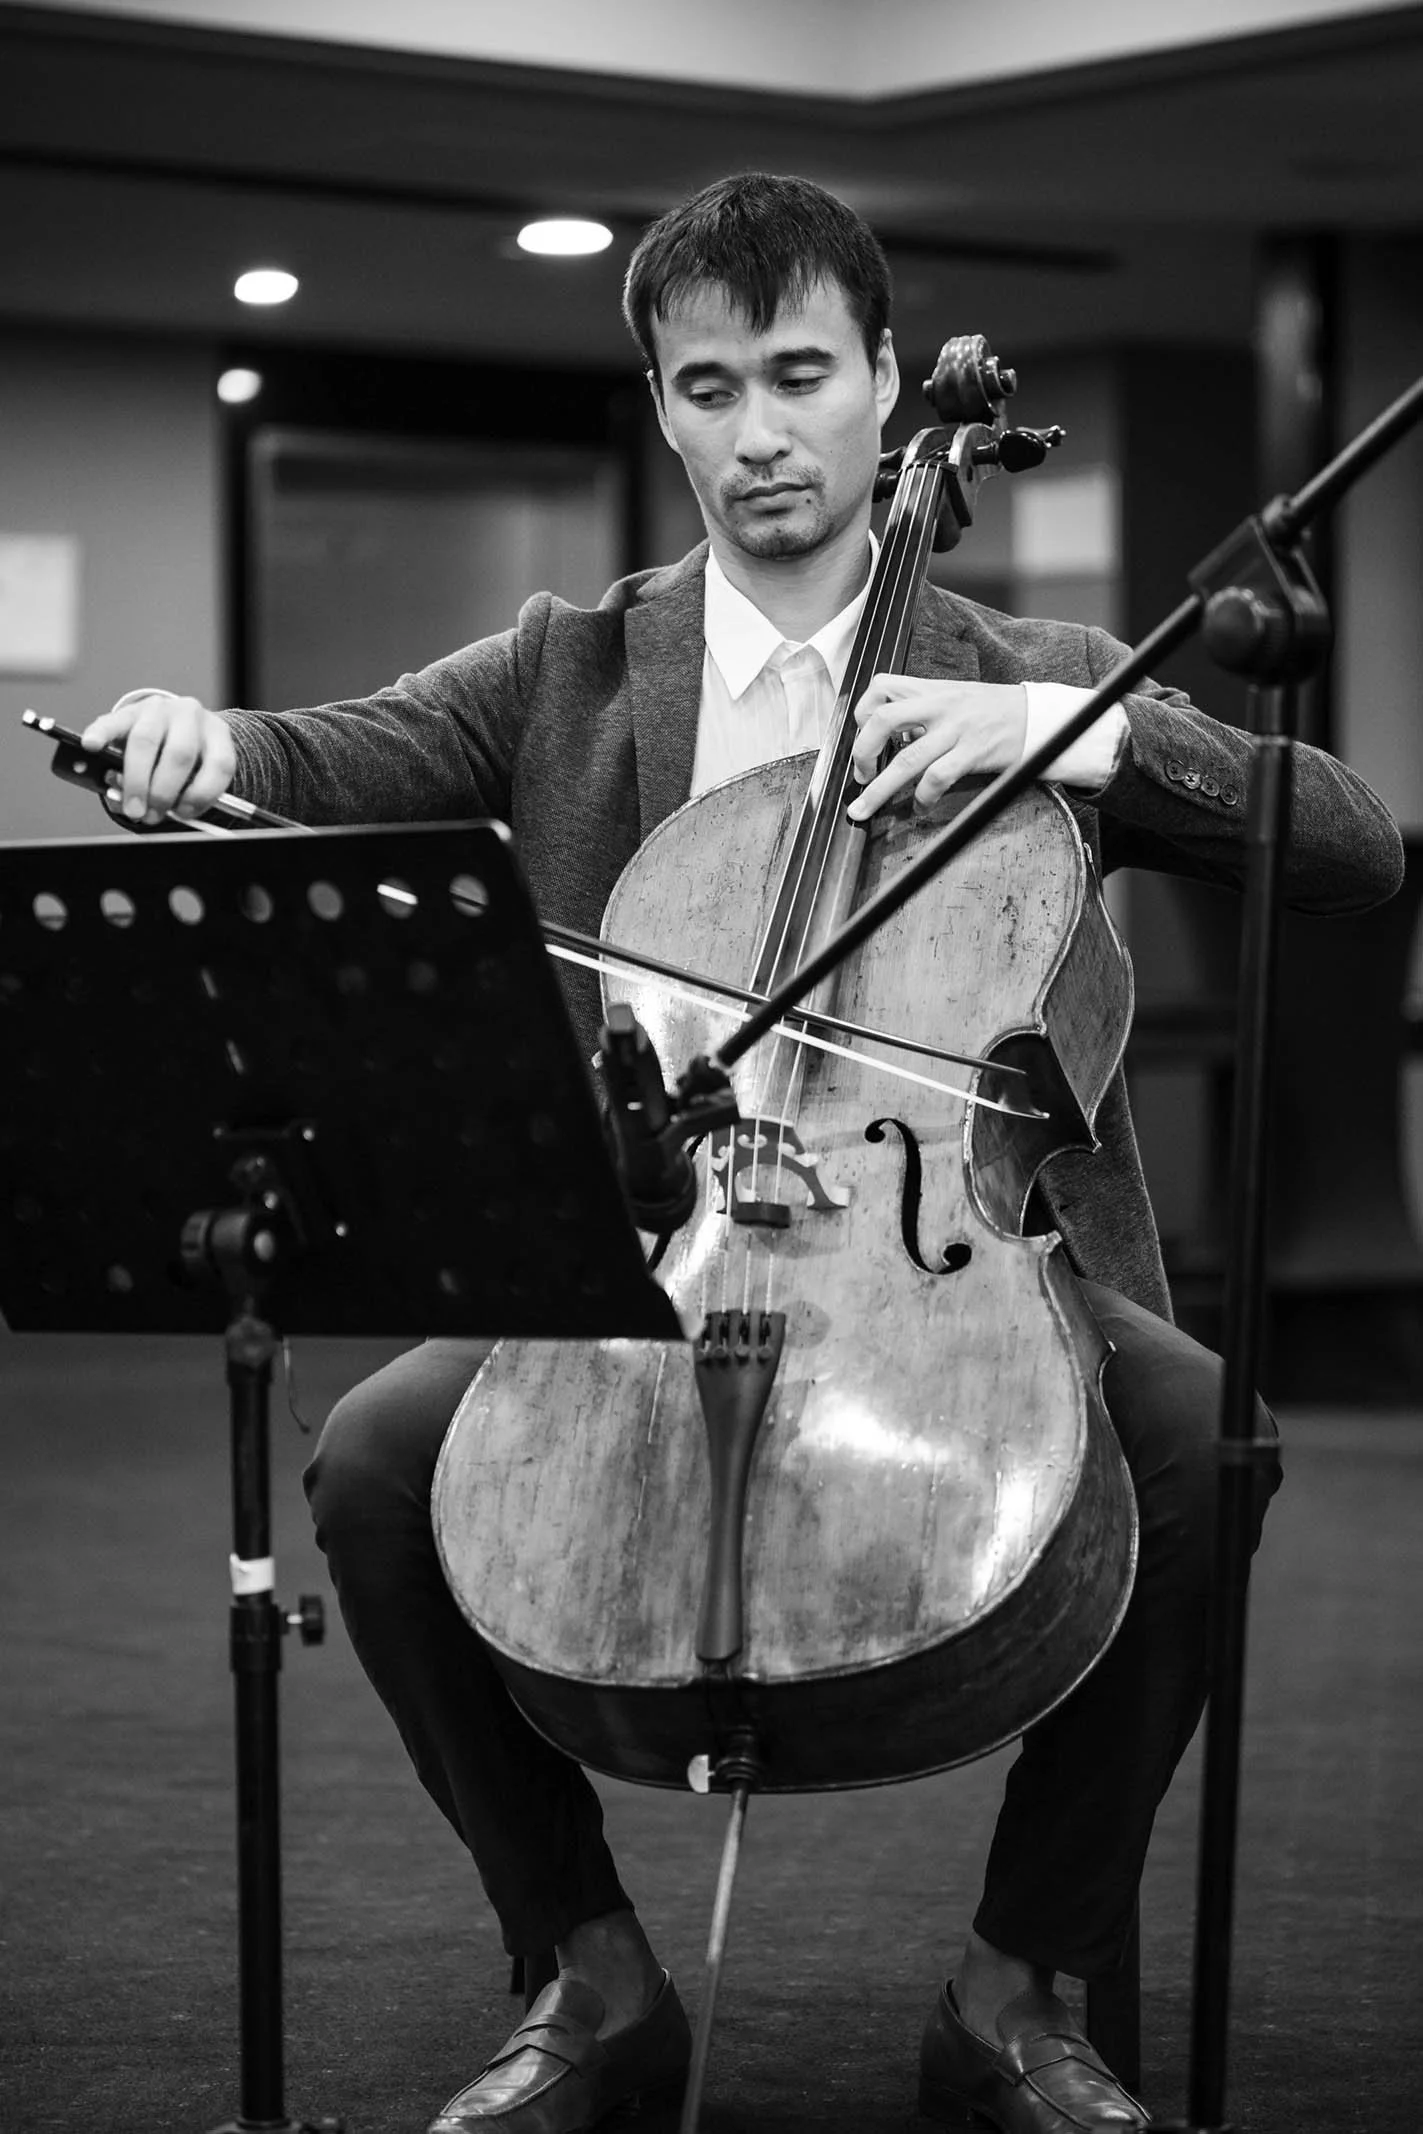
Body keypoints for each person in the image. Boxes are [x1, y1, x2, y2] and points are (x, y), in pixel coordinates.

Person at [85, 173, 1402, 2134]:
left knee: (1215, 1442)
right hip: (649, 1246)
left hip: (961, 1244)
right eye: (710, 386)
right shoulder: (570, 666)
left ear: (886, 382)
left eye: (802, 373)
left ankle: (1017, 1991)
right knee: (371, 1456)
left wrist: (1078, 735)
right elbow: (330, 755)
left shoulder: (1032, 663)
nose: (761, 430)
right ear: (662, 407)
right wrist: (203, 744)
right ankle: (588, 1980)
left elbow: (1359, 841)